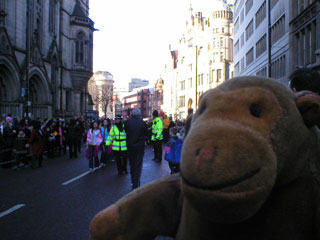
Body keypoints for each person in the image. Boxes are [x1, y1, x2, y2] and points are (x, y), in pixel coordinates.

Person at [125, 108, 147, 189]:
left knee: (132, 164)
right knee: (138, 164)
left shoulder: (128, 122)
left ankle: (133, 181)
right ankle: (136, 181)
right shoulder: (142, 122)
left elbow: (126, 131)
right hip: (139, 146)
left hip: (130, 146)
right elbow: (146, 133)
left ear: (132, 114)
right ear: (139, 114)